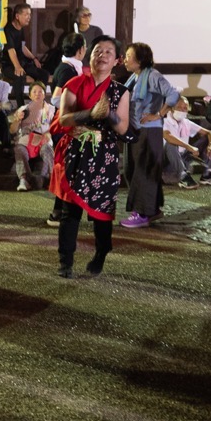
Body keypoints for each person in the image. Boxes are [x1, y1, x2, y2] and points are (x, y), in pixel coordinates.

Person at [51, 35, 132, 278]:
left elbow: (123, 128)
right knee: (70, 212)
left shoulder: (121, 92)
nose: (102, 55)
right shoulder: (74, 84)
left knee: (102, 214)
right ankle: (65, 262)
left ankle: (101, 252)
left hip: (103, 157)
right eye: (98, 50)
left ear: (117, 60)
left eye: (109, 52)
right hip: (76, 153)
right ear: (90, 55)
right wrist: (90, 113)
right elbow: (63, 118)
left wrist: (108, 115)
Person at [120, 42, 180, 229]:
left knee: (142, 172)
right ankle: (152, 209)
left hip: (149, 130)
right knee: (132, 168)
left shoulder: (153, 76)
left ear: (140, 59)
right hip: (135, 129)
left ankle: (142, 213)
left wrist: (159, 114)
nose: (125, 59)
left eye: (129, 56)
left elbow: (173, 94)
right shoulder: (134, 77)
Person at [10, 83, 56, 192]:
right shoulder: (23, 109)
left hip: (43, 140)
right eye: (34, 92)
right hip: (26, 140)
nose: (37, 94)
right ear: (30, 95)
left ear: (45, 94)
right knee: (19, 150)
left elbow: (56, 127)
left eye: (40, 91)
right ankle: (24, 179)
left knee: (47, 150)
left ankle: (53, 179)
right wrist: (17, 120)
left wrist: (49, 133)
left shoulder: (51, 109)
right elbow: (12, 130)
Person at [161, 97, 211, 187]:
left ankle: (207, 174)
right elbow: (168, 136)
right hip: (169, 161)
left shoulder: (186, 122)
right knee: (171, 144)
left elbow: (210, 133)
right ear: (172, 108)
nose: (182, 110)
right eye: (179, 107)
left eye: (185, 108)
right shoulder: (164, 122)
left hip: (183, 157)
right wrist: (188, 147)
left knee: (206, 139)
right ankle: (183, 176)